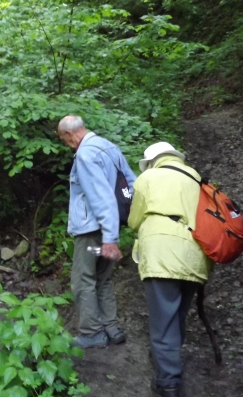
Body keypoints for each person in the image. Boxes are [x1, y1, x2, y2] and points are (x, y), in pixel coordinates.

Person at [128, 142, 213, 397]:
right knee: (176, 317)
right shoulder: (196, 178)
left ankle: (169, 383)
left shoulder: (148, 177)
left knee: (163, 322)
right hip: (196, 255)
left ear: (152, 161)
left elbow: (134, 221)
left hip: (162, 254)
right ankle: (167, 363)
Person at [56, 115, 137, 349]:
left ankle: (92, 332)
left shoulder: (85, 155)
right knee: (102, 277)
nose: (66, 144)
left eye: (64, 139)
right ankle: (111, 327)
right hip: (108, 229)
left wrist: (110, 237)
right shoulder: (108, 147)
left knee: (83, 279)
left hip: (92, 232)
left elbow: (101, 197)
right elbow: (132, 185)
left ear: (71, 134)